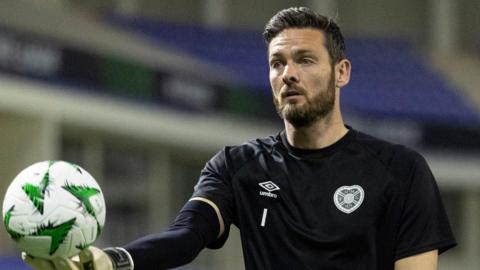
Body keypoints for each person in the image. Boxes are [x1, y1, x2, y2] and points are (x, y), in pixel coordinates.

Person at [24, 6, 456, 270]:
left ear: (341, 72)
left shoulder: (400, 170)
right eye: (277, 63)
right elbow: (187, 236)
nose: (288, 74)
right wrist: (114, 260)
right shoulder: (237, 166)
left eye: (305, 60)